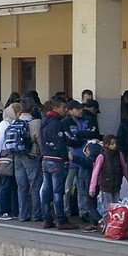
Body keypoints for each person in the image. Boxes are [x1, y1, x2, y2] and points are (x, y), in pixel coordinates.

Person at [39, 97, 77, 230]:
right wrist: (65, 160)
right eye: (63, 107)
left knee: (46, 190)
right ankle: (61, 219)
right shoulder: (58, 123)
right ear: (55, 108)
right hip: (56, 160)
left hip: (45, 159)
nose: (65, 110)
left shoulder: (44, 122)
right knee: (58, 191)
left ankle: (46, 218)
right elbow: (60, 144)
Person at [89, 134, 128, 227]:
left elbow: (124, 168)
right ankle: (107, 225)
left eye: (115, 143)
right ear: (106, 144)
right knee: (106, 208)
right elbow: (95, 172)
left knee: (116, 206)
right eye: (112, 143)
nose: (114, 145)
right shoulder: (102, 156)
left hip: (116, 184)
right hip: (105, 185)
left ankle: (114, 225)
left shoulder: (119, 154)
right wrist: (92, 187)